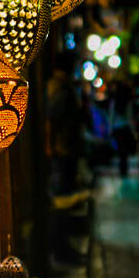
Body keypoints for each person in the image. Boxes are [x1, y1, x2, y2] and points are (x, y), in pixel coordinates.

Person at [45, 52, 86, 196]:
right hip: (62, 145)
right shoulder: (61, 88)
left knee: (63, 181)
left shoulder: (58, 85)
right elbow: (52, 119)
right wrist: (50, 145)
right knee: (62, 184)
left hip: (63, 144)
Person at [108, 78, 136, 176]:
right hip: (125, 128)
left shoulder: (114, 102)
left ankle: (122, 170)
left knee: (120, 150)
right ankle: (124, 169)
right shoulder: (127, 102)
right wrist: (133, 130)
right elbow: (130, 117)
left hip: (117, 128)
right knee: (125, 151)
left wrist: (110, 129)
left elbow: (111, 117)